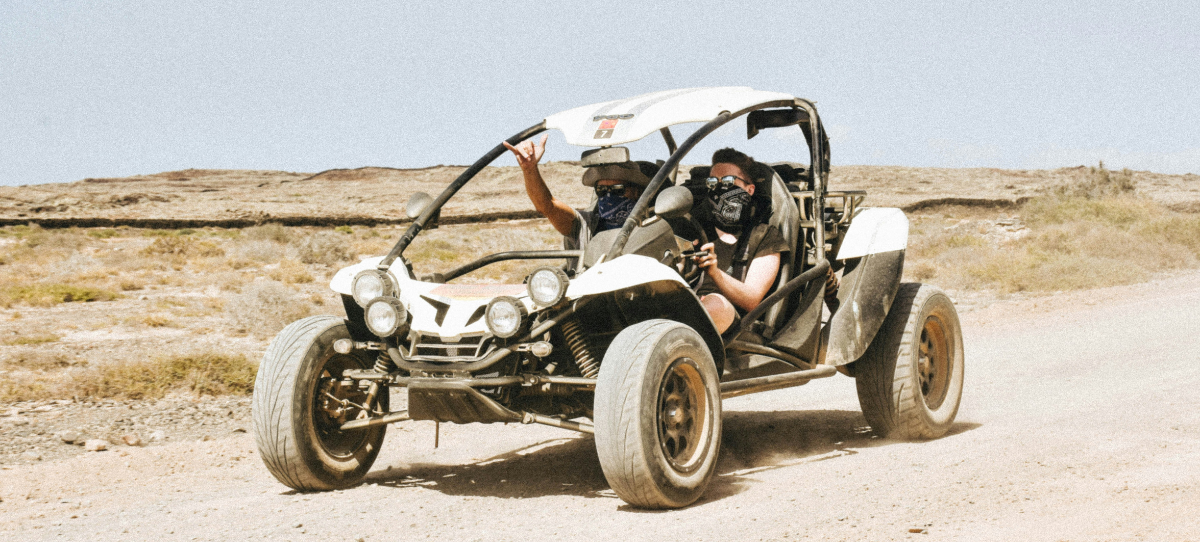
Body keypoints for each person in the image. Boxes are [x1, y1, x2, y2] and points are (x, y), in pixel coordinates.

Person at [693, 148, 789, 333]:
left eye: (728, 181)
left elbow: (752, 299)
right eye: (713, 182)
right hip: (688, 302)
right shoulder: (694, 225)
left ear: (749, 189)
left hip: (732, 319)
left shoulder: (764, 236)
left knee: (713, 305)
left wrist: (715, 272)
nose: (719, 188)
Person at [504, 134, 656, 251]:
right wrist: (530, 169)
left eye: (618, 189)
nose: (608, 196)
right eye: (602, 190)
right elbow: (547, 206)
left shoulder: (653, 227)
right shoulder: (586, 226)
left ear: (637, 192)